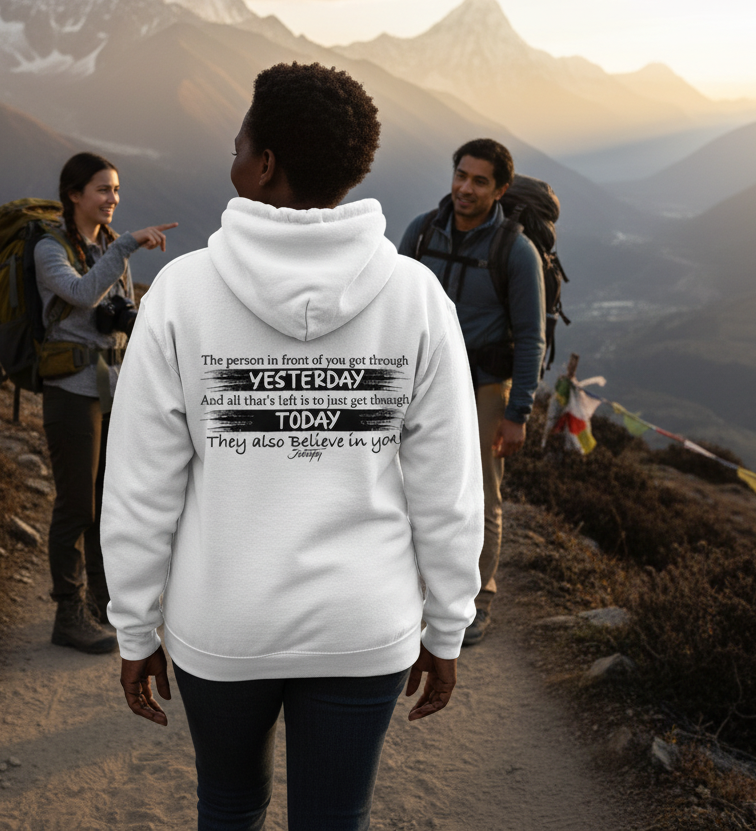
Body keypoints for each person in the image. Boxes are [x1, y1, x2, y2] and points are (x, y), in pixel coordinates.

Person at [101, 63, 483, 830]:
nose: (232, 156)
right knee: (335, 819)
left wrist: (135, 626)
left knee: (231, 808)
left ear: (264, 164)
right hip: (363, 622)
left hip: (224, 624)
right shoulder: (415, 297)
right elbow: (445, 487)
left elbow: (143, 483)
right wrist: (447, 625)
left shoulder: (180, 292)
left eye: (239, 141)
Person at [399, 139, 545, 646]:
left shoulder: (515, 250)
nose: (465, 187)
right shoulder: (421, 231)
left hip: (485, 383)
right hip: (421, 378)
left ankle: (478, 598)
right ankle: (416, 585)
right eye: (461, 175)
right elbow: (394, 303)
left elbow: (531, 337)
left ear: (500, 189)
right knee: (406, 480)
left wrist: (518, 412)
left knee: (482, 490)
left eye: (479, 180)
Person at [34, 151, 176, 655]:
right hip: (70, 391)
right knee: (75, 504)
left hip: (110, 389)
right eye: (102, 190)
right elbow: (81, 293)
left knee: (103, 501)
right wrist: (128, 247)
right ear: (74, 195)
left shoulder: (109, 246)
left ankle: (100, 602)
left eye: (116, 190)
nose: (112, 199)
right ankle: (67, 613)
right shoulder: (49, 249)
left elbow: (117, 307)